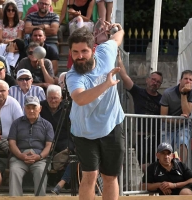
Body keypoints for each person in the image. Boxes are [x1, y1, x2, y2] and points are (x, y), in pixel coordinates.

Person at [65, 24, 124, 200]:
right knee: (90, 175)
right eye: (75, 52)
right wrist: (106, 83)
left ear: (93, 49)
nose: (79, 56)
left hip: (111, 124)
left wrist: (116, 29)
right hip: (84, 130)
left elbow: (117, 38)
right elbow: (81, 99)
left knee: (110, 176)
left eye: (84, 51)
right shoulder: (73, 75)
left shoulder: (105, 52)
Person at [118, 53, 163, 166]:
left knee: (155, 168)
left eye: (158, 82)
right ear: (147, 80)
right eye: (153, 80)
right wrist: (119, 60)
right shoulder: (138, 92)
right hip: (141, 137)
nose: (155, 83)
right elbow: (124, 76)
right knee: (143, 167)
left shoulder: (162, 99)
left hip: (156, 138)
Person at [8, 95, 54, 196]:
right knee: (14, 171)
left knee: (41, 171)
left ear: (40, 108)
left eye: (34, 107)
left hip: (40, 158)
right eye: (28, 108)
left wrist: (39, 156)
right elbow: (12, 142)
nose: (31, 110)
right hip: (19, 157)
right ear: (24, 108)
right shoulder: (16, 123)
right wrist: (20, 155)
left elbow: (49, 145)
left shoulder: (47, 125)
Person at [39, 85, 74, 195]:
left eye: (56, 98)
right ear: (46, 97)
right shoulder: (41, 106)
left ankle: (61, 182)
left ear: (61, 98)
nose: (53, 100)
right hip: (45, 139)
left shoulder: (67, 107)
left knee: (75, 154)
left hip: (64, 139)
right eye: (50, 97)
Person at [160, 70, 192, 163]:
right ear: (180, 80)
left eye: (191, 80)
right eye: (185, 79)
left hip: (184, 125)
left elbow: (186, 111)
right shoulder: (168, 93)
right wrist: (178, 121)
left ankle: (180, 167)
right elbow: (163, 116)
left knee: (182, 142)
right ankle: (166, 170)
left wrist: (183, 94)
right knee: (166, 149)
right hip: (168, 126)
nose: (188, 81)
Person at [0, 80, 23, 154]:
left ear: (8, 92)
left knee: (14, 152)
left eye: (2, 91)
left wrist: (13, 141)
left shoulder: (14, 103)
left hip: (8, 139)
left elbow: (20, 125)